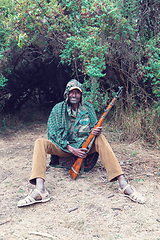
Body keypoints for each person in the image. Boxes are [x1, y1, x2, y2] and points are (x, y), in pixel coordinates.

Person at [17, 79, 145, 207]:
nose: (74, 95)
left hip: (85, 148)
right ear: (66, 93)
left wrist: (97, 131)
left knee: (101, 138)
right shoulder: (58, 109)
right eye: (71, 92)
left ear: (81, 94)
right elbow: (52, 133)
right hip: (65, 148)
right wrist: (71, 148)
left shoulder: (88, 107)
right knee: (40, 142)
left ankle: (123, 184)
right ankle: (40, 189)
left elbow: (94, 128)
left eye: (77, 92)